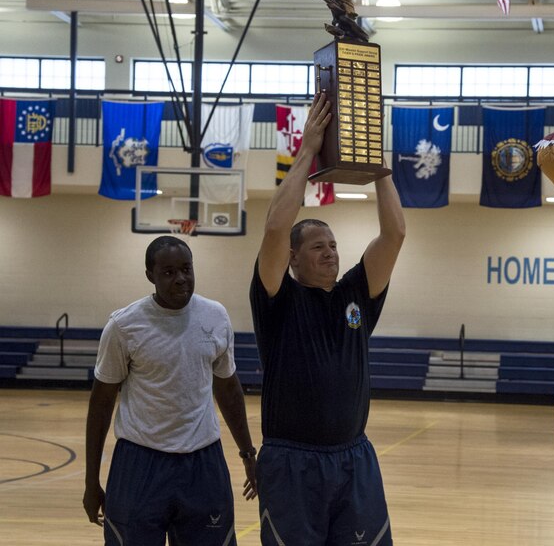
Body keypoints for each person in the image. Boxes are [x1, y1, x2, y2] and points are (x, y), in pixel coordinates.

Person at [250, 91, 406, 545]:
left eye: (334, 245)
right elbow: (277, 227)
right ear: (293, 259)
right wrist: (309, 150)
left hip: (353, 459)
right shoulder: (277, 297)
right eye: (318, 246)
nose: (330, 252)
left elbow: (394, 233)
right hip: (291, 462)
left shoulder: (356, 294)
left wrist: (378, 166)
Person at [83, 235, 257, 545]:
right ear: (150, 276)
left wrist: (248, 454)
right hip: (139, 463)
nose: (181, 279)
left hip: (203, 462)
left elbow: (229, 390)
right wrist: (91, 480)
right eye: (168, 272)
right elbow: (101, 404)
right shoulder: (124, 326)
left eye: (187, 269)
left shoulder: (215, 316)